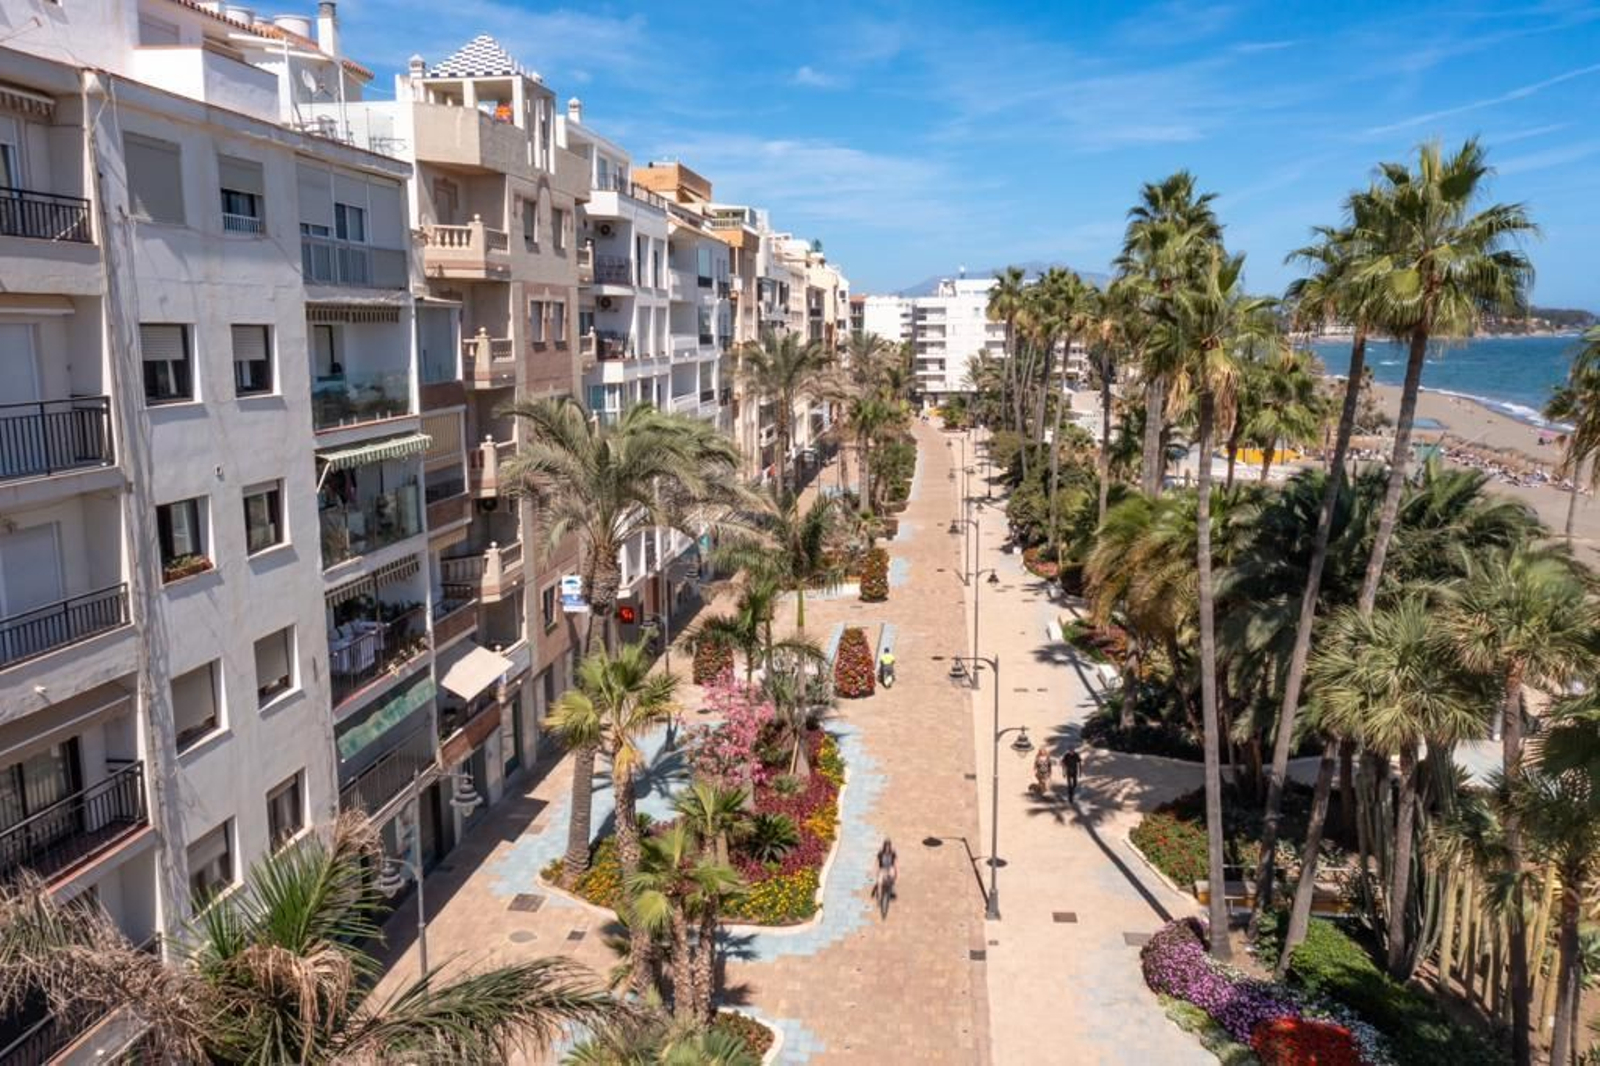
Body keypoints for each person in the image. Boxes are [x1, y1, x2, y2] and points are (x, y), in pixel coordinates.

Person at [873, 838, 898, 918]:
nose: (887, 848)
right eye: (886, 847)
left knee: (892, 874)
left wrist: (896, 871)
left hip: (890, 868)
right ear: (884, 847)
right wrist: (876, 871)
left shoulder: (893, 853)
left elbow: (895, 864)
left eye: (888, 847)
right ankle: (880, 898)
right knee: (879, 882)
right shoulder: (880, 853)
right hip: (882, 868)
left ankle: (891, 889)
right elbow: (877, 863)